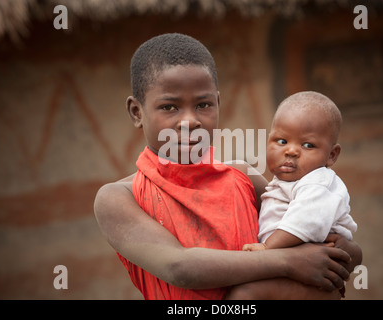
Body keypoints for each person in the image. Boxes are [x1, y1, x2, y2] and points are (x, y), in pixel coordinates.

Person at [93, 33, 362, 300]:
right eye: (169, 107)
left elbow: (309, 232)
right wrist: (289, 262)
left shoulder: (242, 177)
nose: (189, 121)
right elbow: (179, 267)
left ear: (218, 103)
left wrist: (344, 249)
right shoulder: (121, 197)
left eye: (203, 105)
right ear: (136, 112)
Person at [226, 91, 357, 299]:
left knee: (245, 294)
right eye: (282, 141)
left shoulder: (319, 182)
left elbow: (305, 222)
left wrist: (267, 249)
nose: (291, 151)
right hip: (295, 270)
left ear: (331, 155)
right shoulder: (284, 184)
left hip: (313, 275)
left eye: (308, 145)